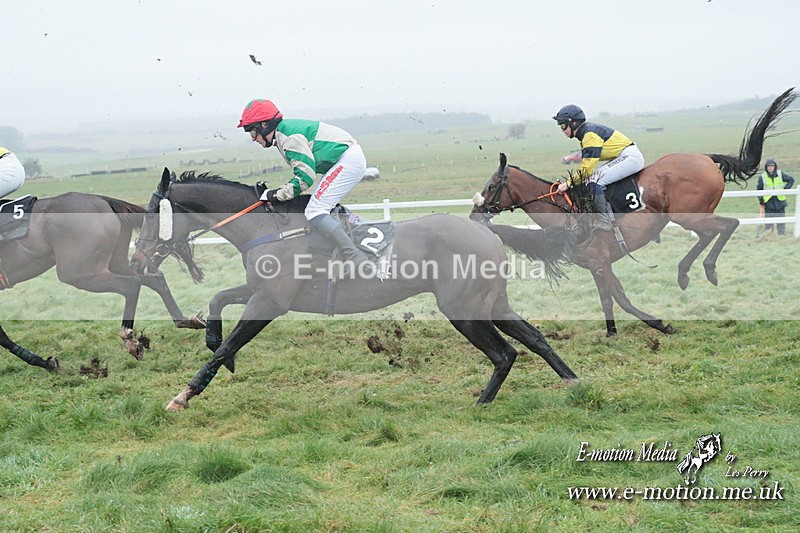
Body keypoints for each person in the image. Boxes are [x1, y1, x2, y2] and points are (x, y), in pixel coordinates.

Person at [237, 98, 370, 269]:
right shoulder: (283, 134)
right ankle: (345, 239)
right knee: (318, 203)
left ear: (264, 126)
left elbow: (305, 178)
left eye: (252, 133)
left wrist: (276, 194)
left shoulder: (289, 138)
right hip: (346, 158)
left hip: (348, 160)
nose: (253, 139)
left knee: (315, 210)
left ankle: (355, 256)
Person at [552, 105, 645, 229]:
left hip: (630, 157)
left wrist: (568, 184)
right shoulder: (586, 132)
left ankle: (603, 220)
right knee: (591, 178)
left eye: (563, 126)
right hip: (624, 155)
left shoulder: (589, 135)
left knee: (593, 179)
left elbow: (586, 169)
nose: (562, 130)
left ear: (573, 123)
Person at [757, 158, 794, 236]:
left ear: (774, 166)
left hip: (780, 201)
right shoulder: (763, 177)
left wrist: (786, 189)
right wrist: (761, 199)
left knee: (781, 221)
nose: (770, 167)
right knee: (769, 223)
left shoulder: (780, 174)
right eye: (769, 166)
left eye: (772, 166)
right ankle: (768, 236)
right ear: (766, 167)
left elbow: (791, 180)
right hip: (768, 202)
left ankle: (782, 236)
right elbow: (759, 189)